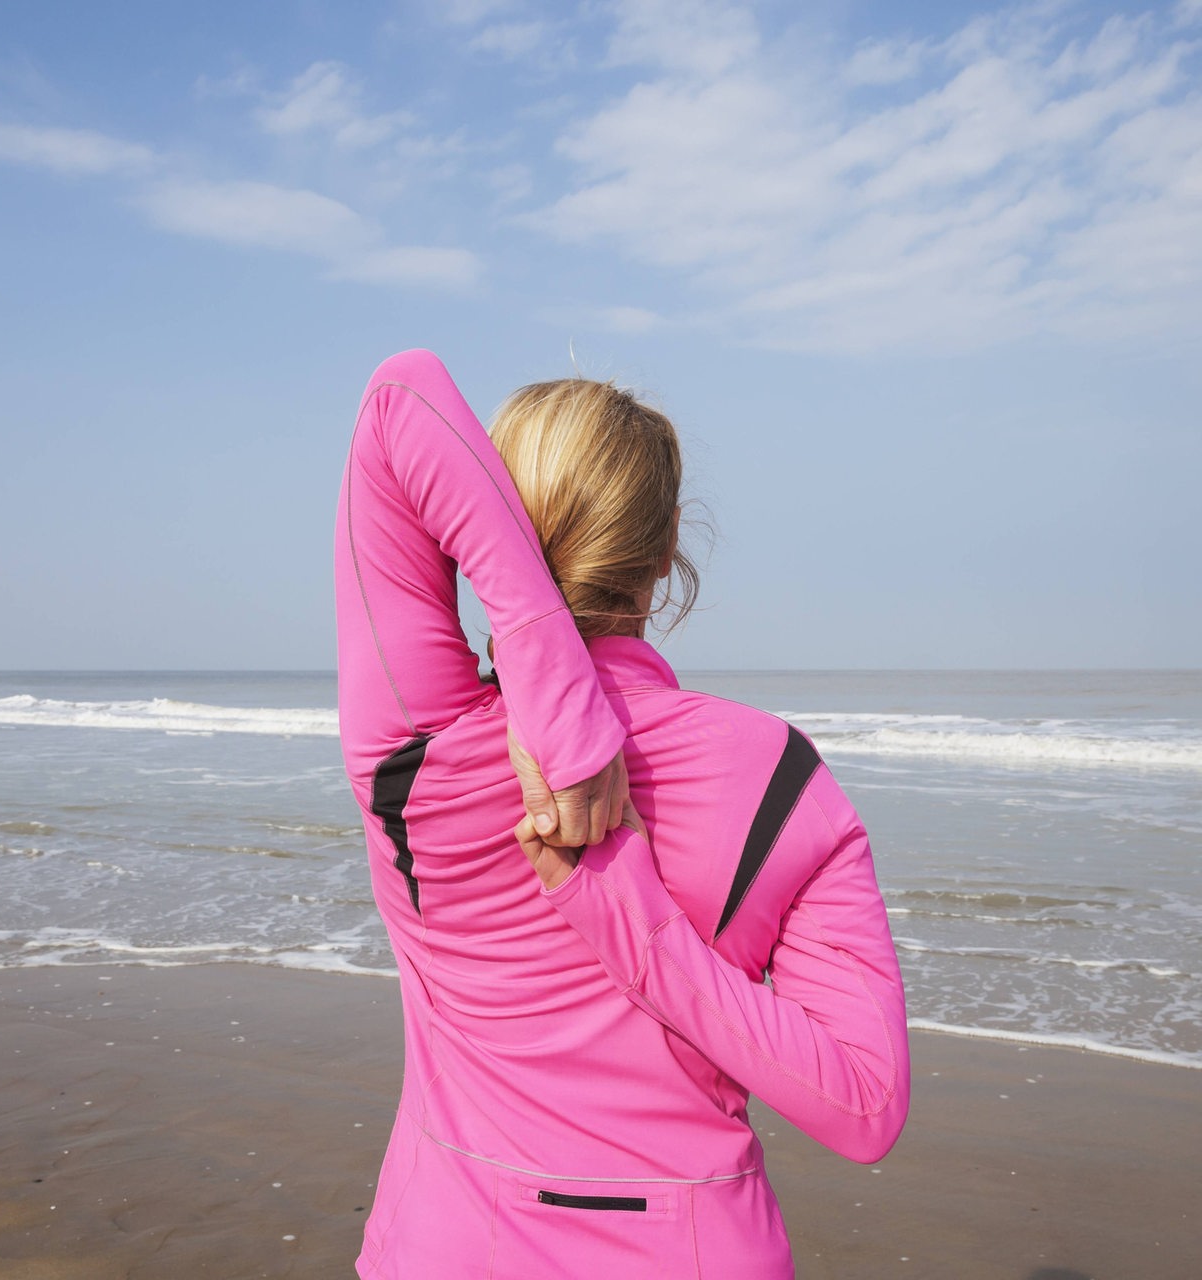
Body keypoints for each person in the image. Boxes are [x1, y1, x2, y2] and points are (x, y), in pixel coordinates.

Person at [335, 349, 909, 1280]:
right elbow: (863, 1105)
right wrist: (570, 730)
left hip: (444, 1246)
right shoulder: (781, 778)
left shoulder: (414, 744)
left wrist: (620, 895)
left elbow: (398, 399)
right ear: (670, 542)